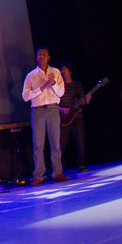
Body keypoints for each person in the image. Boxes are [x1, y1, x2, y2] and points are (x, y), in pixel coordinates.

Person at [22, 46, 67, 185]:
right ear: (36, 57)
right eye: (39, 55)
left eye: (44, 54)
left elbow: (61, 92)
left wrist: (52, 84)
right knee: (38, 144)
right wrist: (42, 88)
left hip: (53, 108)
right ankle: (38, 175)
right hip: (38, 110)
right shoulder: (31, 75)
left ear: (49, 57)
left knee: (55, 142)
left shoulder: (56, 72)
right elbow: (25, 96)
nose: (41, 57)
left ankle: (57, 172)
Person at [58, 62, 90, 171]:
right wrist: (62, 110)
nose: (62, 72)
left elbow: (82, 100)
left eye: (65, 69)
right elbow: (55, 102)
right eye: (61, 70)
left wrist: (87, 100)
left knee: (81, 141)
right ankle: (60, 168)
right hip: (63, 117)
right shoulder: (59, 86)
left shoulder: (77, 85)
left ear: (70, 71)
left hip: (77, 117)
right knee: (61, 145)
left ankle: (81, 164)